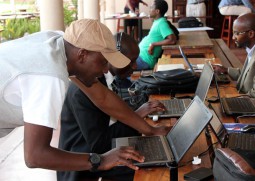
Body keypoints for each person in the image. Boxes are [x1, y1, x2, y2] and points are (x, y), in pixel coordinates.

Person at [0, 19, 171, 174]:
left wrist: (149, 130)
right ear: (82, 55)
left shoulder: (64, 43)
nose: (105, 70)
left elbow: (103, 98)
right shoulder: (49, 76)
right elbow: (35, 156)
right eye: (103, 62)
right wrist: (100, 160)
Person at [57, 32, 166, 181]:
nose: (135, 66)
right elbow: (100, 144)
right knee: (154, 169)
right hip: (84, 167)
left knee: (156, 158)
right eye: (131, 61)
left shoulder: (100, 78)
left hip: (100, 154)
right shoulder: (84, 89)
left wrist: (136, 116)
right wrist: (138, 117)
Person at [213, 13, 255, 97]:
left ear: (251, 34)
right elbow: (247, 75)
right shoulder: (251, 50)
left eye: (236, 33)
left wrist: (233, 98)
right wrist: (225, 70)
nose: (233, 37)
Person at [136, 0, 177, 70]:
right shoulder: (158, 21)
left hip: (145, 60)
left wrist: (153, 44)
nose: (149, 9)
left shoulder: (162, 23)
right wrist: (152, 17)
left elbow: (172, 40)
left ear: (157, 11)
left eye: (151, 8)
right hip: (141, 56)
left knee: (119, 66)